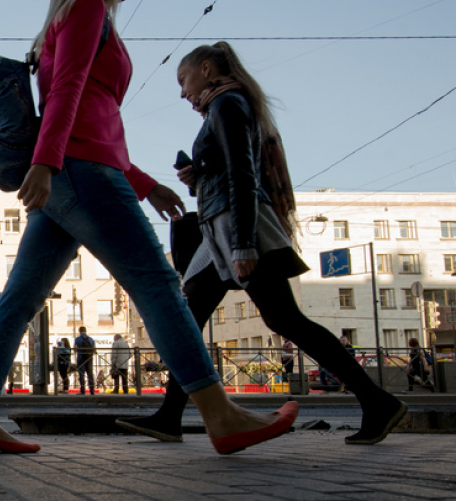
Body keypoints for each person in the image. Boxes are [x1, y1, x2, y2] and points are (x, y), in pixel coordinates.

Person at [0, 0, 297, 455]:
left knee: (21, 298)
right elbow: (68, 91)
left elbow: (87, 111)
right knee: (158, 283)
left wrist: (145, 183)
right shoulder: (89, 7)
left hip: (76, 170)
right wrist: (47, 163)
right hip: (82, 170)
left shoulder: (68, 18)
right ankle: (219, 415)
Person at [116, 41, 406, 446]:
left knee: (284, 320)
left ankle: (377, 401)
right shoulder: (224, 106)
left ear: (205, 68)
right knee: (191, 315)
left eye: (182, 80)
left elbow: (243, 175)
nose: (181, 92)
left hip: (237, 229)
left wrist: (245, 246)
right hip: (220, 230)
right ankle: (170, 414)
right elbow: (226, 177)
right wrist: (197, 179)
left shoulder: (227, 104)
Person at [74, 327, 96, 395]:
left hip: (81, 358)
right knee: (90, 374)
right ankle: (92, 390)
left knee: (81, 374)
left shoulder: (77, 339)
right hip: (89, 358)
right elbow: (94, 349)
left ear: (79, 331)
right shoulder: (91, 339)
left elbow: (75, 349)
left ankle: (82, 390)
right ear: (86, 331)